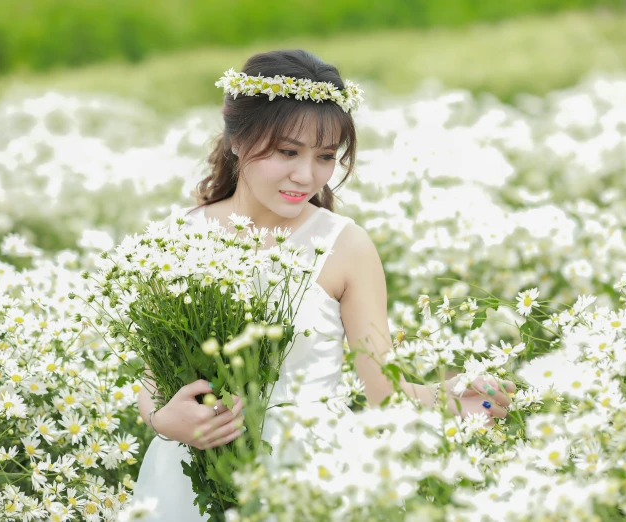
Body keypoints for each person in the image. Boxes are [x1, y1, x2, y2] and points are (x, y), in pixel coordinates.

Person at [130, 49, 517, 521]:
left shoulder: (346, 246)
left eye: (326, 156)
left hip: (313, 466)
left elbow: (385, 391)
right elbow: (154, 375)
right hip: (188, 471)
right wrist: (163, 419)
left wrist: (457, 393)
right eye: (288, 152)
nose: (306, 175)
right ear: (236, 140)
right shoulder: (178, 237)